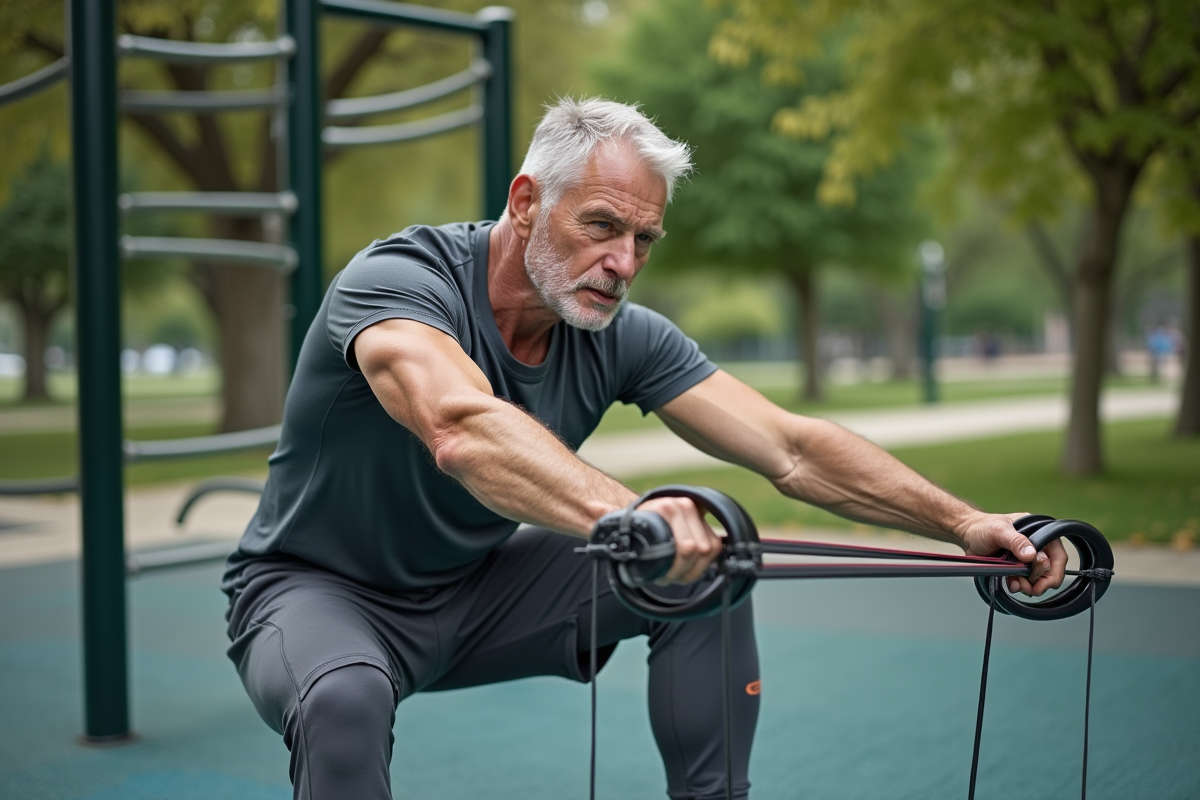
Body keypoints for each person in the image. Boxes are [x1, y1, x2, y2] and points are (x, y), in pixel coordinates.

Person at [222, 98, 1066, 800]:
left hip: (474, 596)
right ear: (525, 201)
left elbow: (792, 448)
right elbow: (459, 426)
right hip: (315, 594)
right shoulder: (398, 282)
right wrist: (633, 516)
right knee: (344, 697)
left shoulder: (616, 333)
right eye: (601, 226)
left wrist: (965, 522)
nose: (622, 262)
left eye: (644, 241)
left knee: (713, 559)